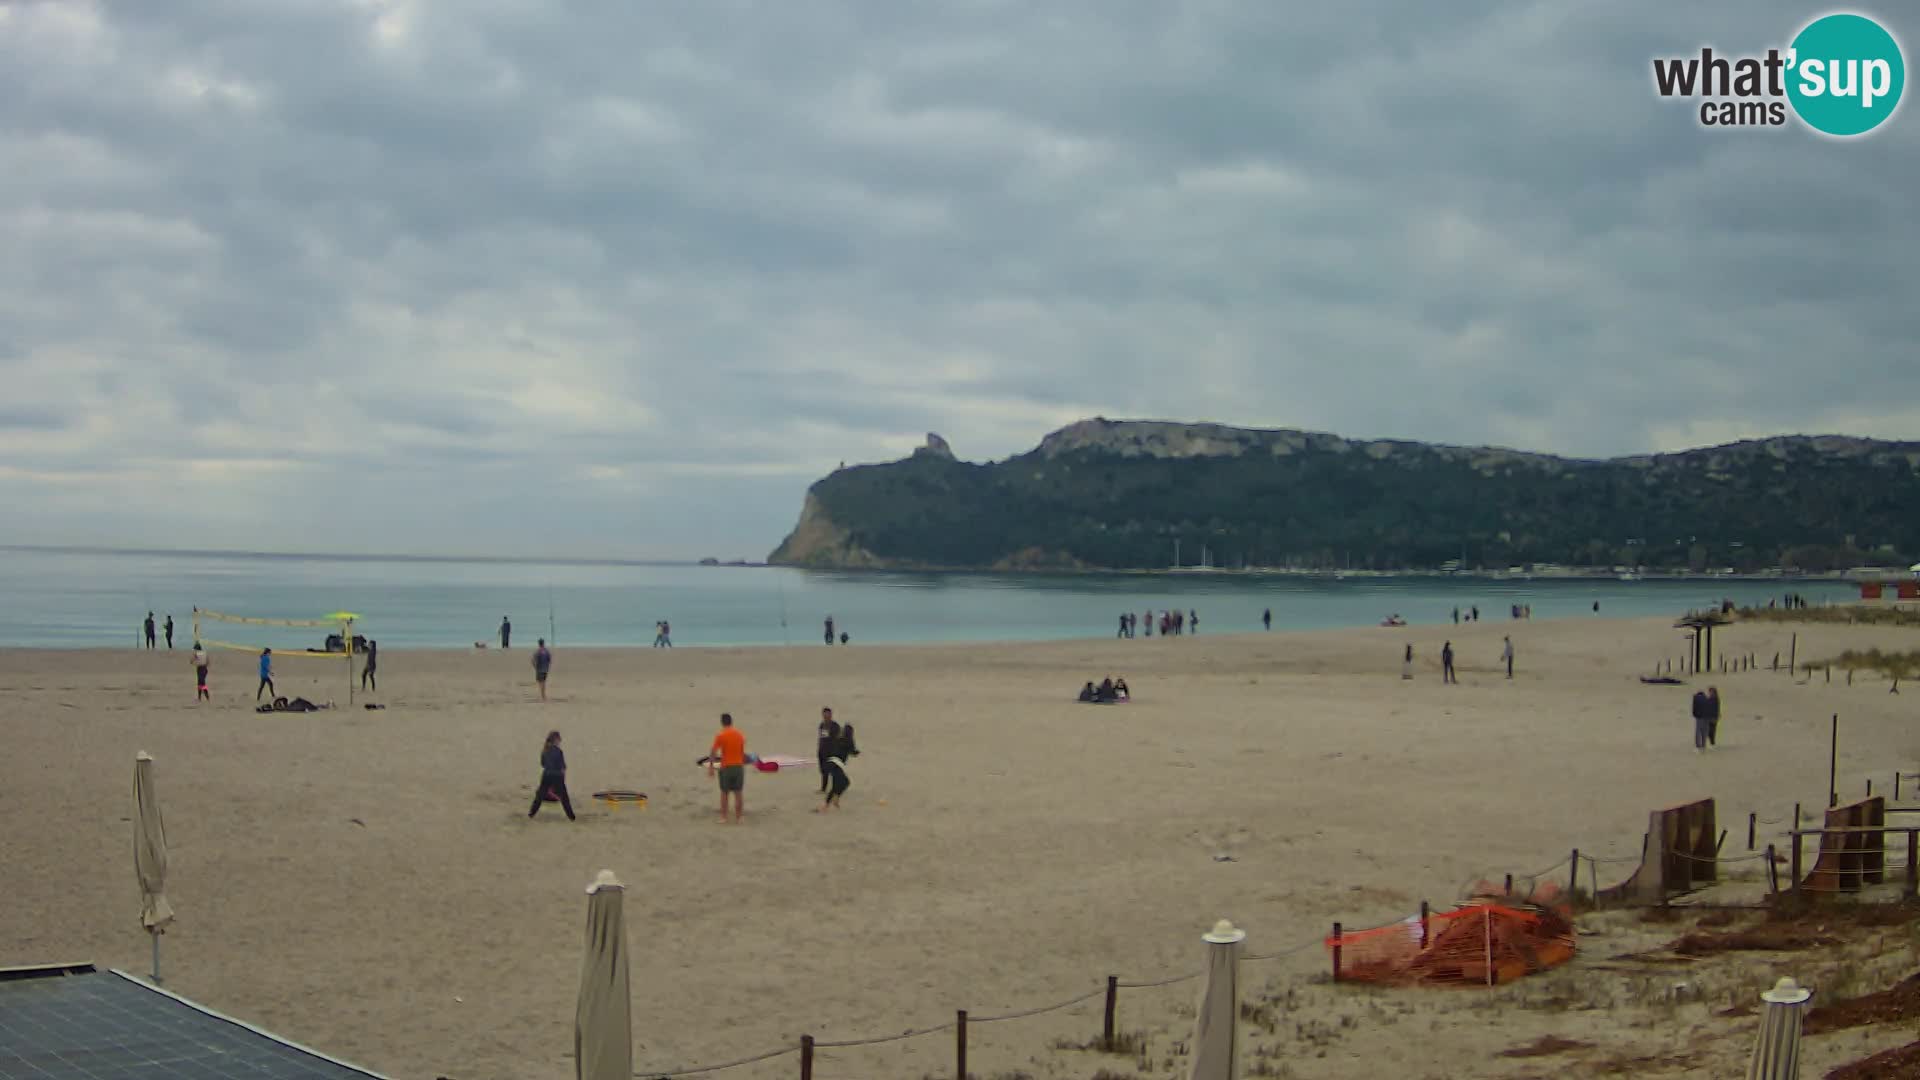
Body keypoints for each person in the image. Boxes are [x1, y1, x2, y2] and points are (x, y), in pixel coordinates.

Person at [528, 730, 575, 820]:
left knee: (539, 796)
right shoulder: (559, 751)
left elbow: (543, 764)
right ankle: (571, 817)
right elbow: (563, 767)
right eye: (559, 740)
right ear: (556, 740)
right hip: (557, 776)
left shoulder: (545, 750)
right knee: (564, 798)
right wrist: (562, 778)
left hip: (547, 775)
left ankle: (531, 814)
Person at [709, 713, 747, 823]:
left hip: (726, 767)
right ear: (731, 722)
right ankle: (739, 817)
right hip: (738, 767)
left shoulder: (721, 735)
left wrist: (711, 767)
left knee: (724, 793)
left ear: (722, 722)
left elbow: (713, 751)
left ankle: (724, 817)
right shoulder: (740, 735)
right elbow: (741, 751)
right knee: (738, 792)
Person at [818, 724, 853, 812]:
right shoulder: (848, 742)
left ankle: (834, 799)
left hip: (830, 763)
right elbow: (853, 752)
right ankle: (826, 805)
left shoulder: (838, 740)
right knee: (845, 782)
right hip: (835, 765)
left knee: (839, 784)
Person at [816, 707, 842, 794]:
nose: (826, 716)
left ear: (831, 715)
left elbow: (838, 739)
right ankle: (823, 788)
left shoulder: (835, 726)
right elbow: (821, 739)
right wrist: (819, 750)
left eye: (828, 714)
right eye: (825, 714)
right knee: (824, 771)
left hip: (832, 752)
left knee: (834, 771)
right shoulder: (822, 725)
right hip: (822, 751)